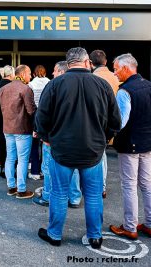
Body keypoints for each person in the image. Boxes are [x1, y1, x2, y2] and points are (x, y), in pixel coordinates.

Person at [35, 47, 121, 248]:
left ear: (69, 63)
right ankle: (95, 237)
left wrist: (48, 139)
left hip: (62, 151)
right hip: (92, 151)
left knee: (58, 193)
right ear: (86, 63)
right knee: (92, 194)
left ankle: (54, 235)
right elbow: (115, 121)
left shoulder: (55, 85)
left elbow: (41, 119)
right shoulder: (102, 85)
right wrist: (103, 140)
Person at [109, 53, 151, 240]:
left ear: (126, 68)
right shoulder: (149, 85)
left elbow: (120, 122)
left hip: (130, 145)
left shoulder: (125, 91)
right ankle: (149, 224)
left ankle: (130, 227)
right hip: (147, 143)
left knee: (129, 185)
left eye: (116, 68)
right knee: (147, 184)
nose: (114, 72)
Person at [33, 61, 82, 208]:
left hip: (54, 136)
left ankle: (47, 196)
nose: (52, 73)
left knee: (48, 167)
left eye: (54, 70)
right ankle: (74, 198)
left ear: (61, 71)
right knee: (73, 168)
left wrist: (43, 134)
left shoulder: (53, 86)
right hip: (75, 136)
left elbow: (42, 113)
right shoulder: (81, 86)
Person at [0, 65, 36, 199]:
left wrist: (6, 108)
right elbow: (31, 111)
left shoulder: (4, 88)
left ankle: (11, 187)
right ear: (22, 74)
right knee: (22, 159)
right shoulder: (25, 89)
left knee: (10, 157)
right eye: (29, 73)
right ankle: (21, 190)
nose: (31, 76)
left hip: (7, 128)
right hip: (22, 129)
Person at [90, 49, 120, 199]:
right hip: (112, 122)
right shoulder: (116, 77)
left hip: (94, 123)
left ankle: (92, 187)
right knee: (102, 155)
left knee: (95, 156)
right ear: (106, 62)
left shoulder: (91, 78)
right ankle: (101, 187)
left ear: (90, 63)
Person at [28, 65, 50, 180]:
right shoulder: (50, 83)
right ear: (45, 72)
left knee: (34, 145)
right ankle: (44, 170)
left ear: (34, 74)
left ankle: (35, 171)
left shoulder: (31, 84)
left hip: (34, 116)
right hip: (47, 116)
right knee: (46, 144)